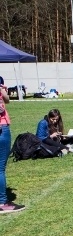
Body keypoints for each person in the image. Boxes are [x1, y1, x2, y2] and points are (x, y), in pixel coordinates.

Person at [0, 83, 24, 213]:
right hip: (1, 129)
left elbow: (6, 100)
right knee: (0, 168)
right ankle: (2, 202)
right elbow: (3, 105)